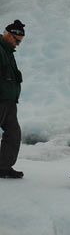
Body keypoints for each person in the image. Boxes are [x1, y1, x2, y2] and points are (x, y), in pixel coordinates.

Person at [0, 20, 26, 179]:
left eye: (20, 41)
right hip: (1, 100)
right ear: (8, 35)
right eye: (17, 40)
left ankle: (3, 167)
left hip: (9, 102)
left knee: (13, 133)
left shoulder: (8, 52)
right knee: (13, 133)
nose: (18, 44)